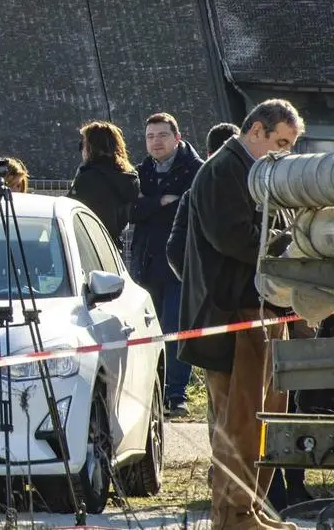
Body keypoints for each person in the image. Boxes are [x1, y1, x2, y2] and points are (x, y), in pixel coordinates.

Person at [181, 99, 303, 530]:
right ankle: (231, 515)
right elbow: (232, 237)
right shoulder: (222, 169)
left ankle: (250, 509)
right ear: (255, 131)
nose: (285, 152)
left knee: (263, 420)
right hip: (232, 314)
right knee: (238, 422)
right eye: (281, 141)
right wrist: (292, 247)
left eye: (290, 145)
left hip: (260, 310)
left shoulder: (255, 170)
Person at [129, 112, 203, 417]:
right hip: (146, 263)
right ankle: (150, 394)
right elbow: (130, 210)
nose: (155, 142)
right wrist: (159, 202)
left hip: (181, 263)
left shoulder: (196, 170)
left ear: (177, 137)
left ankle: (176, 394)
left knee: (175, 329)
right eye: (150, 136)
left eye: (162, 135)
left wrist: (152, 207)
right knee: (147, 333)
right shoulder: (139, 172)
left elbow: (192, 212)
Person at [167, 123, 240, 282]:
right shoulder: (255, 192)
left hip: (207, 291)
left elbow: (175, 251)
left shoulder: (193, 194)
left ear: (208, 154)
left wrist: (196, 284)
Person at [66, 121, 139, 247]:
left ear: (91, 147)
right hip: (112, 247)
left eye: (82, 144)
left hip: (88, 245)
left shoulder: (89, 178)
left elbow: (70, 212)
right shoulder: (130, 178)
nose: (82, 150)